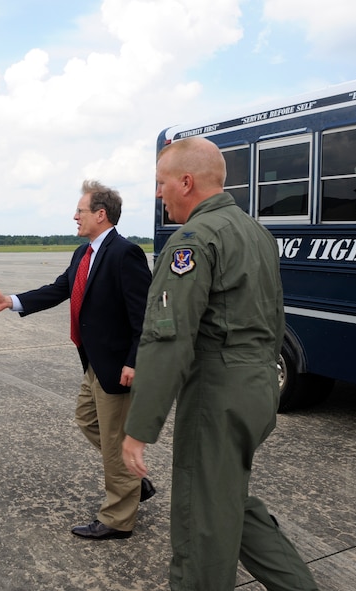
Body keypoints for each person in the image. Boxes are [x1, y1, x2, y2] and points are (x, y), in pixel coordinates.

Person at [122, 137, 318, 590]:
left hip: (217, 391)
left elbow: (167, 338)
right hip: (258, 387)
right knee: (225, 499)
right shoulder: (256, 233)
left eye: (161, 182)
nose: (158, 194)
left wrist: (140, 428)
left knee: (200, 522)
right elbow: (276, 317)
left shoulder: (192, 240)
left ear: (186, 182)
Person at [0, 180, 153, 540]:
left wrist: (134, 361)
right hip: (93, 362)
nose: (75, 216)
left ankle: (118, 518)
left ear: (100, 214)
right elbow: (60, 290)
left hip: (117, 367)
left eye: (81, 210)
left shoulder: (125, 254)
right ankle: (133, 480)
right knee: (87, 420)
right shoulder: (83, 253)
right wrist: (10, 301)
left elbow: (145, 315)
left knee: (113, 440)